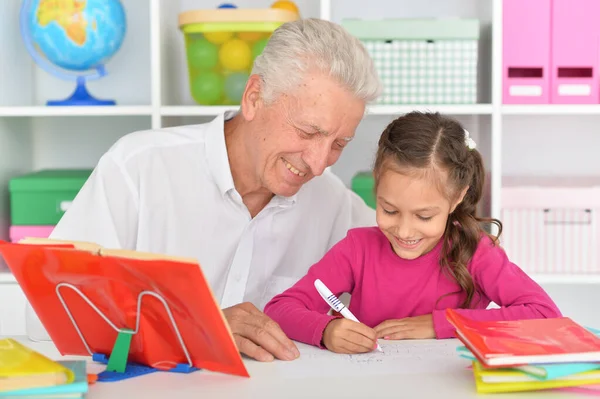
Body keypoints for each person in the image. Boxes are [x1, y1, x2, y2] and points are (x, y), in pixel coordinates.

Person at [48, 19, 382, 362]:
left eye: (339, 143)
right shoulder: (138, 168)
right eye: (308, 131)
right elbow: (51, 312)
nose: (318, 162)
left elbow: (417, 262)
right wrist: (195, 329)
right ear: (253, 98)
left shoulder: (332, 201)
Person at [264, 111, 562, 354]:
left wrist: (440, 324)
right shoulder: (358, 249)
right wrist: (326, 330)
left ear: (457, 197)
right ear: (377, 188)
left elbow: (545, 315)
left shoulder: (475, 251)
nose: (404, 230)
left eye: (424, 215)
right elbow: (280, 309)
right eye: (389, 210)